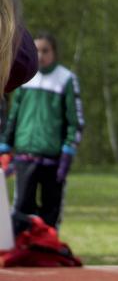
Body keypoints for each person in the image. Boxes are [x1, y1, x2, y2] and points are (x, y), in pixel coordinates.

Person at [0, 31, 83, 230]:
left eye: (45, 51)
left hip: (52, 159)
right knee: (20, 214)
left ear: (54, 52)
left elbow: (76, 120)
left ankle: (48, 247)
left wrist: (68, 150)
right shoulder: (26, 77)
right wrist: (6, 144)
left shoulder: (66, 79)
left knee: (50, 215)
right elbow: (14, 115)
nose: (40, 55)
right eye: (36, 50)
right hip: (25, 157)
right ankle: (23, 248)